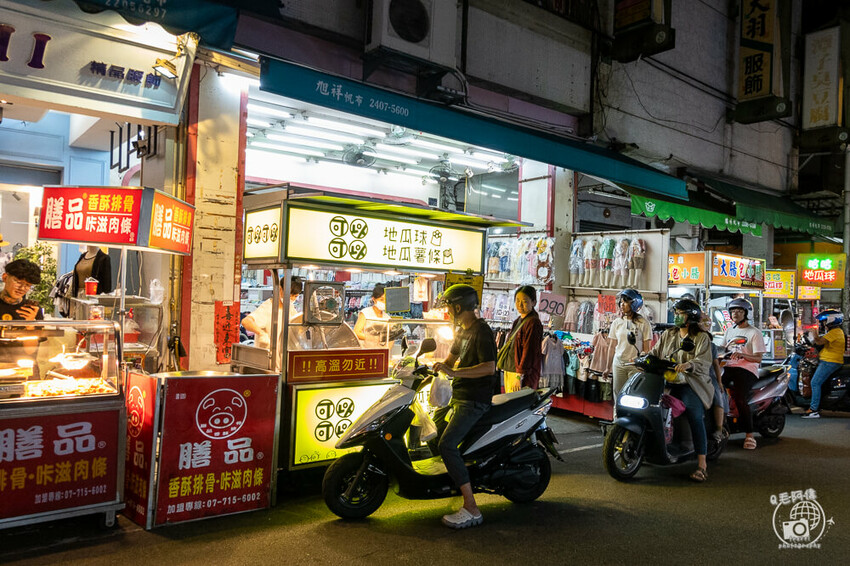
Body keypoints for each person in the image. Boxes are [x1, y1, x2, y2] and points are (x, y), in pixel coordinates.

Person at [431, 284, 499, 529]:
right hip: (458, 395)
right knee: (433, 429)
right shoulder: (461, 331)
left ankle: (471, 506)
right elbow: (451, 359)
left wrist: (454, 370)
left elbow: (488, 367)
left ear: (459, 306)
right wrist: (438, 365)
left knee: (447, 445)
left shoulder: (482, 331)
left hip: (474, 400)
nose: (448, 311)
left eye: (449, 307)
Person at [647, 298, 713, 482]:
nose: (676, 316)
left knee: (694, 416)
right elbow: (655, 353)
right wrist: (645, 360)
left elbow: (704, 361)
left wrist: (689, 364)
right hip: (666, 383)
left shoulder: (701, 338)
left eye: (680, 314)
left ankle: (702, 465)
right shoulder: (669, 334)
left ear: (690, 316)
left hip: (690, 384)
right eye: (675, 313)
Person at [719, 298, 764, 449]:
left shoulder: (754, 333)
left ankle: (749, 435)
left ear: (746, 313)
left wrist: (743, 356)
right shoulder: (730, 331)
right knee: (713, 388)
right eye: (732, 311)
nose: (735, 314)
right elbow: (722, 349)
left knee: (739, 396)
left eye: (739, 311)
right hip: (729, 367)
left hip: (747, 370)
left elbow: (758, 358)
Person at [0, 259, 44, 371]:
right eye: (18, 282)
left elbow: (30, 350)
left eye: (28, 285)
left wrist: (30, 325)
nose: (22, 288)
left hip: (22, 368)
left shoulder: (32, 310)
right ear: (5, 277)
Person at [607, 289, 652, 396]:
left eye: (625, 302)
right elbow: (612, 346)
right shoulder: (617, 323)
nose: (622, 305)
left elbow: (647, 349)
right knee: (618, 394)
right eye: (621, 302)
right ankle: (617, 413)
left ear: (635, 304)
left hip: (635, 365)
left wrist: (642, 363)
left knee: (634, 395)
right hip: (618, 364)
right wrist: (607, 367)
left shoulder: (643, 323)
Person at [802, 309, 846, 419]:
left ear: (832, 320)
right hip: (828, 361)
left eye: (824, 321)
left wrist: (814, 332)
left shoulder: (835, 332)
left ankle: (813, 410)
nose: (823, 324)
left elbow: (819, 341)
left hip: (830, 362)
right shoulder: (834, 332)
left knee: (815, 383)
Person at [501, 285, 543, 392]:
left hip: (519, 374)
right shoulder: (518, 320)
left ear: (534, 302)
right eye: (517, 300)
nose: (520, 304)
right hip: (511, 369)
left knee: (516, 404)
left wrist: (519, 376)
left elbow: (528, 351)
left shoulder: (533, 323)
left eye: (524, 301)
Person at [242, 276, 302, 349]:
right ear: (280, 289)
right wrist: (261, 333)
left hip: (284, 356)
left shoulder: (290, 308)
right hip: (269, 357)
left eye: (295, 296)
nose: (292, 299)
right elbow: (246, 322)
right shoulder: (268, 307)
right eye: (290, 295)